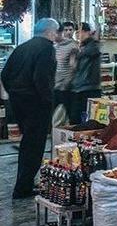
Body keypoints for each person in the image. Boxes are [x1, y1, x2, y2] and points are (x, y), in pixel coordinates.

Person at [1, 18, 58, 198]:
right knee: (34, 146)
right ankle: (23, 188)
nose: (57, 35)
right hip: (36, 104)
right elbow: (41, 78)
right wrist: (48, 101)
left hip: (19, 102)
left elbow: (5, 74)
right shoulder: (47, 48)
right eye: (56, 32)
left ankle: (23, 183)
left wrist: (15, 93)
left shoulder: (22, 47)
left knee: (27, 144)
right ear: (50, 32)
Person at [68, 23, 103, 125]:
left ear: (86, 32)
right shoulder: (83, 47)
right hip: (79, 88)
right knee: (77, 119)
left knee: (85, 119)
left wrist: (76, 55)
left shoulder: (91, 46)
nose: (78, 35)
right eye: (77, 33)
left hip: (88, 88)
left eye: (80, 32)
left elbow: (93, 51)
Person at [53, 21, 78, 119]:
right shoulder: (55, 46)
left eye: (70, 30)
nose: (68, 32)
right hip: (55, 85)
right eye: (66, 30)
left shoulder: (73, 46)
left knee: (70, 114)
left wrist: (67, 82)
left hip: (67, 87)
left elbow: (73, 67)